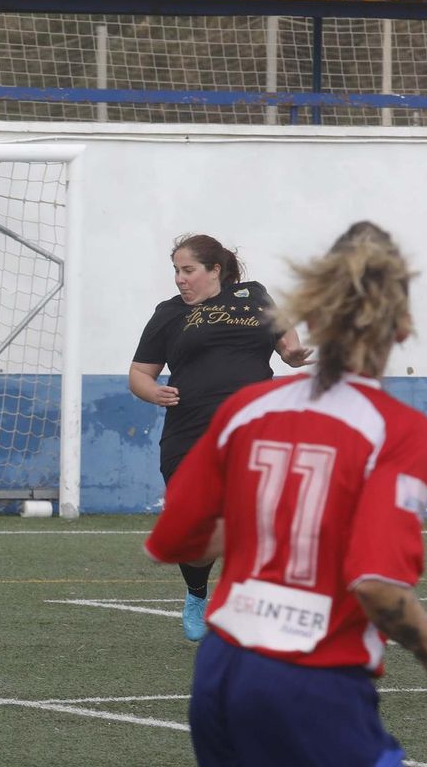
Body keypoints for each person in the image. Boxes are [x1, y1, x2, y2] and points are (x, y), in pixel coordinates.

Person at [145, 222, 427, 767]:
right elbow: (377, 585)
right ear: (403, 325)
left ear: (312, 316)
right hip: (314, 684)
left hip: (222, 674)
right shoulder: (398, 430)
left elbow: (176, 540)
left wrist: (259, 522)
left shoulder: (247, 408)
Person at [130, 234, 311, 642]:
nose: (180, 279)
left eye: (188, 270)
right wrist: (152, 391)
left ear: (215, 270)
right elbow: (139, 373)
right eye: (176, 271)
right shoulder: (169, 314)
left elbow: (285, 339)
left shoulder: (253, 296)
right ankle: (197, 593)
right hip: (189, 432)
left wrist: (292, 353)